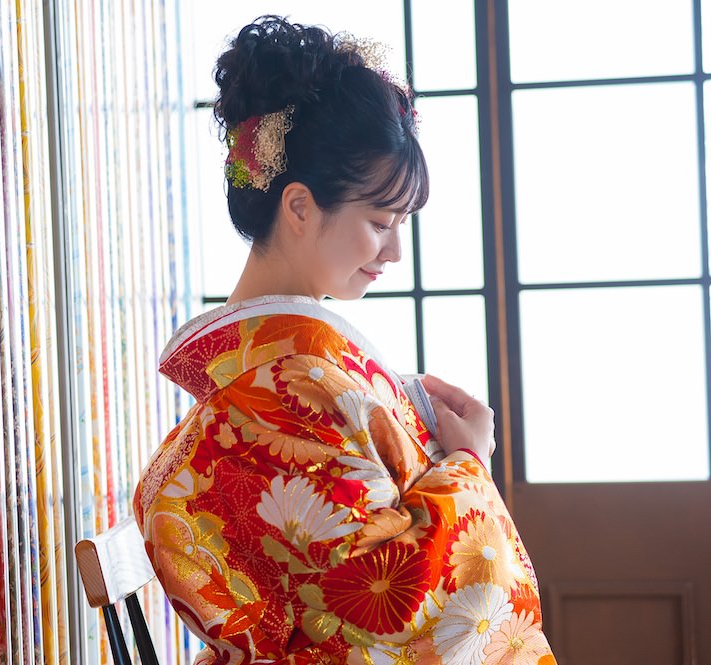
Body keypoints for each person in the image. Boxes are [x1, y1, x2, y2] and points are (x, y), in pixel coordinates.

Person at [134, 16, 556, 665]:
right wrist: (468, 462)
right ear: (299, 207)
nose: (394, 250)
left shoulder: (288, 366)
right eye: (381, 221)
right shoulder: (286, 381)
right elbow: (387, 609)